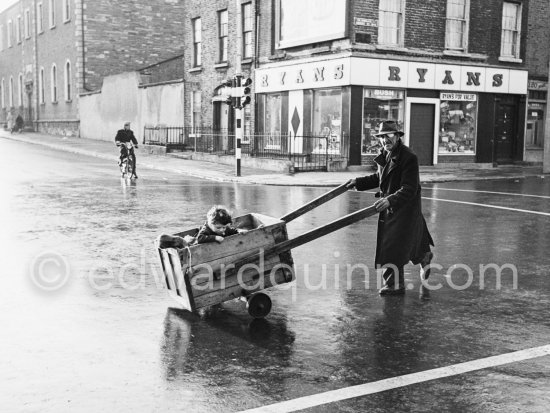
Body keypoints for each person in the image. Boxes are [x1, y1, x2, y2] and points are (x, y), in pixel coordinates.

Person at [346, 120, 434, 296]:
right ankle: (424, 256)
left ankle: (395, 285)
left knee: (392, 246)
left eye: (389, 136)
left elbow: (410, 188)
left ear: (397, 136)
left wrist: (390, 200)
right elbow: (380, 177)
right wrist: (359, 182)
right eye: (382, 137)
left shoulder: (409, 157)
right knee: (402, 244)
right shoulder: (385, 154)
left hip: (405, 208)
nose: (385, 140)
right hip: (392, 207)